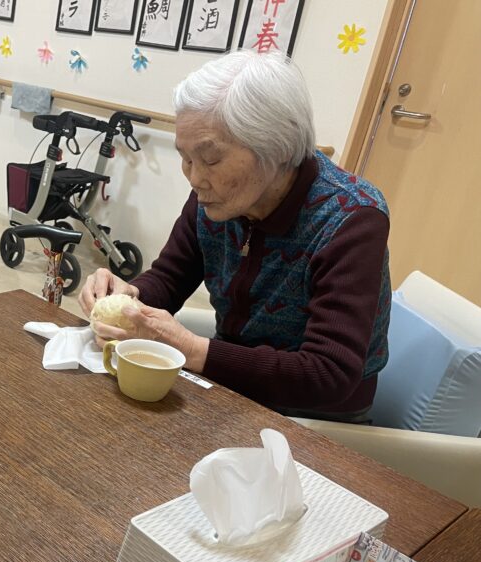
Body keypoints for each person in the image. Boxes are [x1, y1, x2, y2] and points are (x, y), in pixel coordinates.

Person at [80, 51, 391, 421]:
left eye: (211, 159)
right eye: (186, 158)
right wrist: (128, 298)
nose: (195, 178)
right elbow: (170, 277)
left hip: (313, 414)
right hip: (230, 379)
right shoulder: (217, 196)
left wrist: (191, 349)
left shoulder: (351, 218)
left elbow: (329, 374)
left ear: (278, 147)